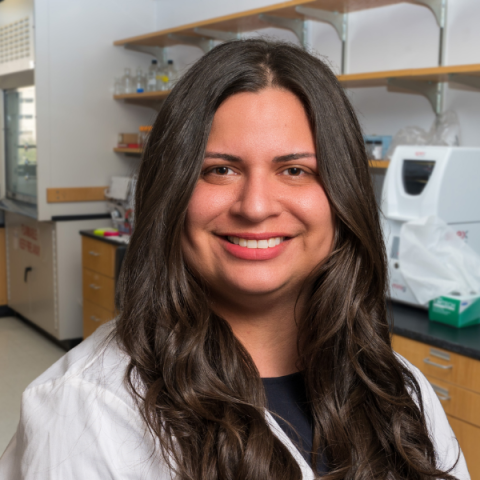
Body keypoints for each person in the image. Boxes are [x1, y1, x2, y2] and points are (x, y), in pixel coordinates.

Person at [0, 39, 469, 480]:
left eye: (294, 170)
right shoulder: (84, 408)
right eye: (220, 170)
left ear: (342, 196)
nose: (256, 206)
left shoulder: (397, 388)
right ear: (172, 192)